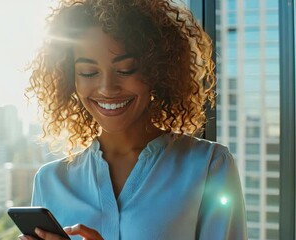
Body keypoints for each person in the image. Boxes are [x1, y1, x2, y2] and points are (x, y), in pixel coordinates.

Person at [22, 0, 247, 239]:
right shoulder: (50, 181)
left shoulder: (209, 166)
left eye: (126, 69)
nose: (107, 88)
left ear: (157, 70)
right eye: (89, 73)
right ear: (71, 79)